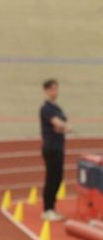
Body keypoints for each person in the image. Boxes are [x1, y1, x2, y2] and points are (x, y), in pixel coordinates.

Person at [40, 79, 71, 222]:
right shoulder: (46, 108)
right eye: (52, 89)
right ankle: (47, 209)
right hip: (51, 147)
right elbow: (58, 124)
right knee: (52, 178)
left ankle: (52, 207)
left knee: (58, 178)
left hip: (59, 146)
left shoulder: (57, 108)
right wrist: (63, 126)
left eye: (56, 89)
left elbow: (62, 124)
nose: (55, 92)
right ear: (46, 90)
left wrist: (62, 126)